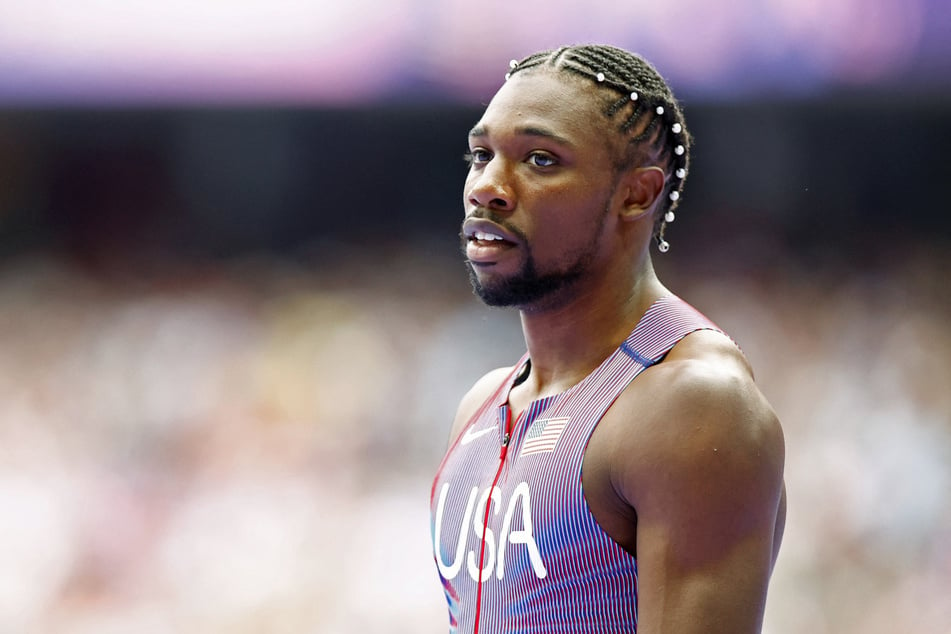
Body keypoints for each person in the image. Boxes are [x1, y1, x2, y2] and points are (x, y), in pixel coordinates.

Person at [430, 44, 786, 634]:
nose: (487, 186)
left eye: (540, 160)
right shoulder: (484, 404)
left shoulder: (691, 406)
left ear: (637, 194)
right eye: (481, 154)